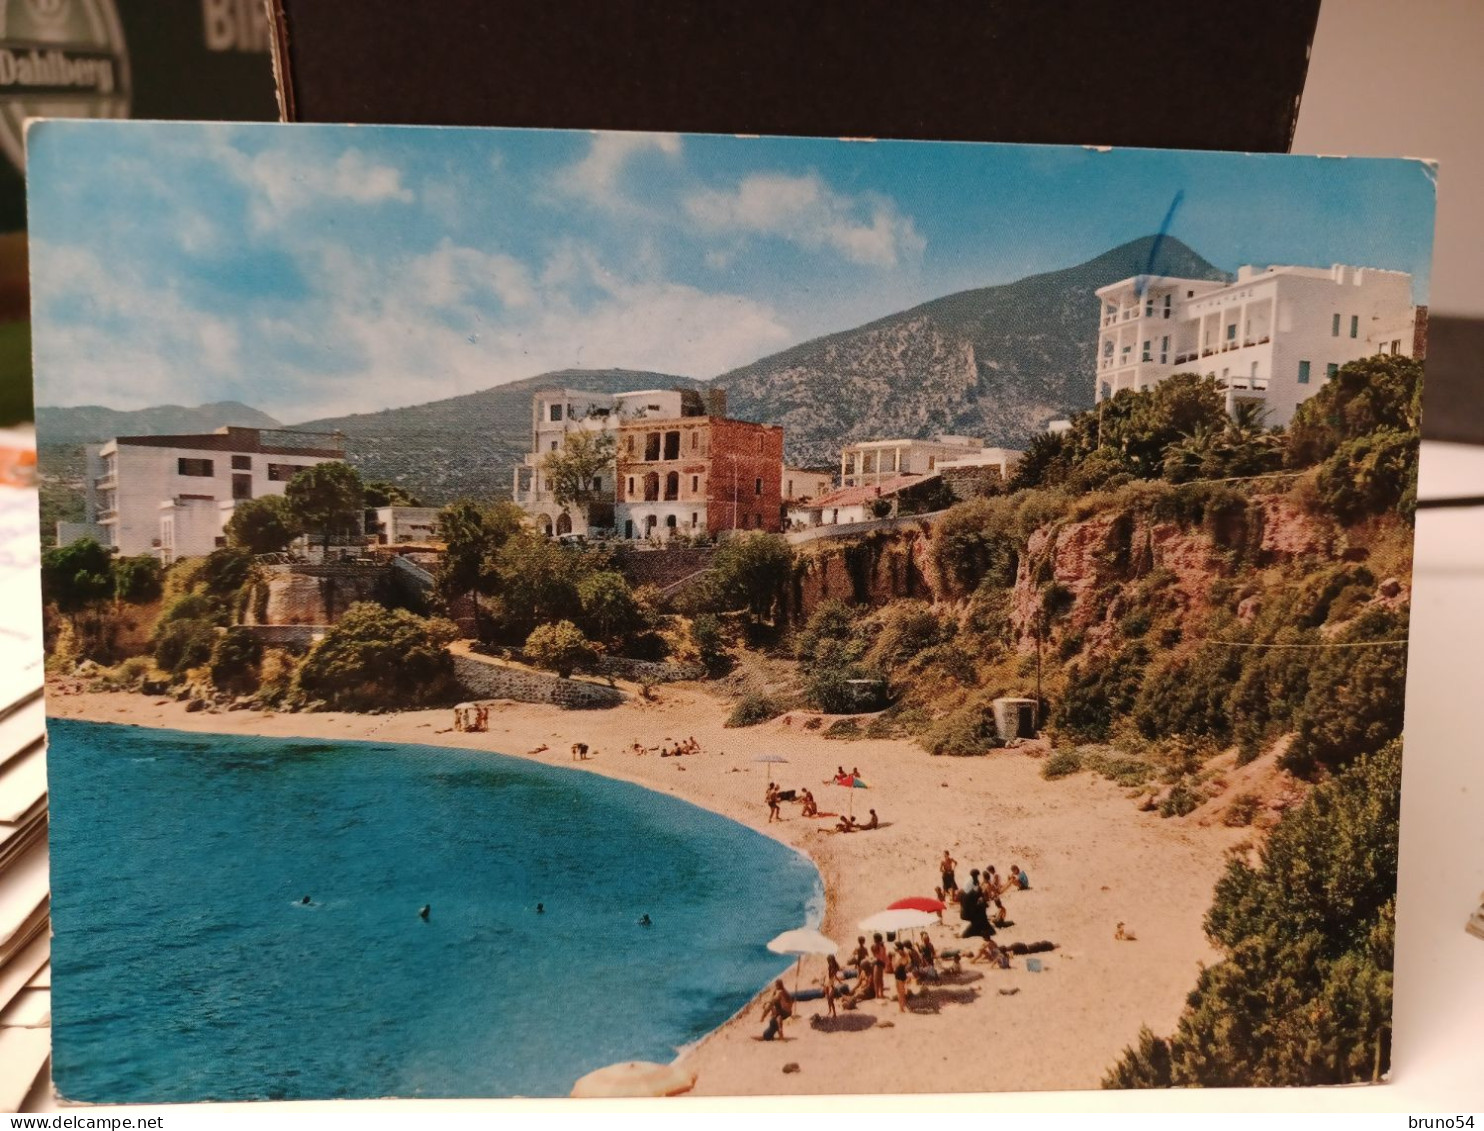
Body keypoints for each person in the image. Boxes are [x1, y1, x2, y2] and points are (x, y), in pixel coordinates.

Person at [870, 934, 888, 999]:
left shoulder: (876, 946)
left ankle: (877, 995)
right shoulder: (882, 946)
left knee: (876, 980)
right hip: (882, 963)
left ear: (876, 939)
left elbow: (874, 953)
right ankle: (882, 994)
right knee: (880, 979)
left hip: (878, 962)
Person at [894, 945, 911, 1011]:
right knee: (903, 991)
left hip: (898, 974)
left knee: (899, 992)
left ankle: (901, 1008)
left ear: (900, 950)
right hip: (903, 973)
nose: (897, 951)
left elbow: (895, 965)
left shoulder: (899, 957)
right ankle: (903, 1005)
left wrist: (893, 958)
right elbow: (908, 963)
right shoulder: (906, 955)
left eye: (897, 950)